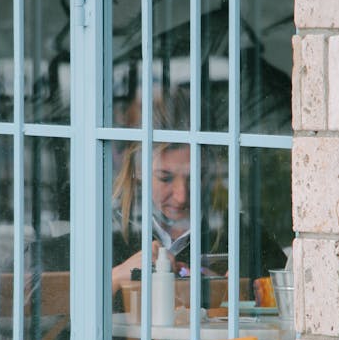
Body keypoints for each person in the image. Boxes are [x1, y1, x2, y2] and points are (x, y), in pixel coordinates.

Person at [111, 89, 287, 309]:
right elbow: (60, 321)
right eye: (165, 178)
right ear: (137, 168)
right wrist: (116, 277)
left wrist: (236, 300)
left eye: (196, 178)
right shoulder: (105, 234)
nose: (182, 196)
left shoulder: (245, 236)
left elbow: (293, 311)